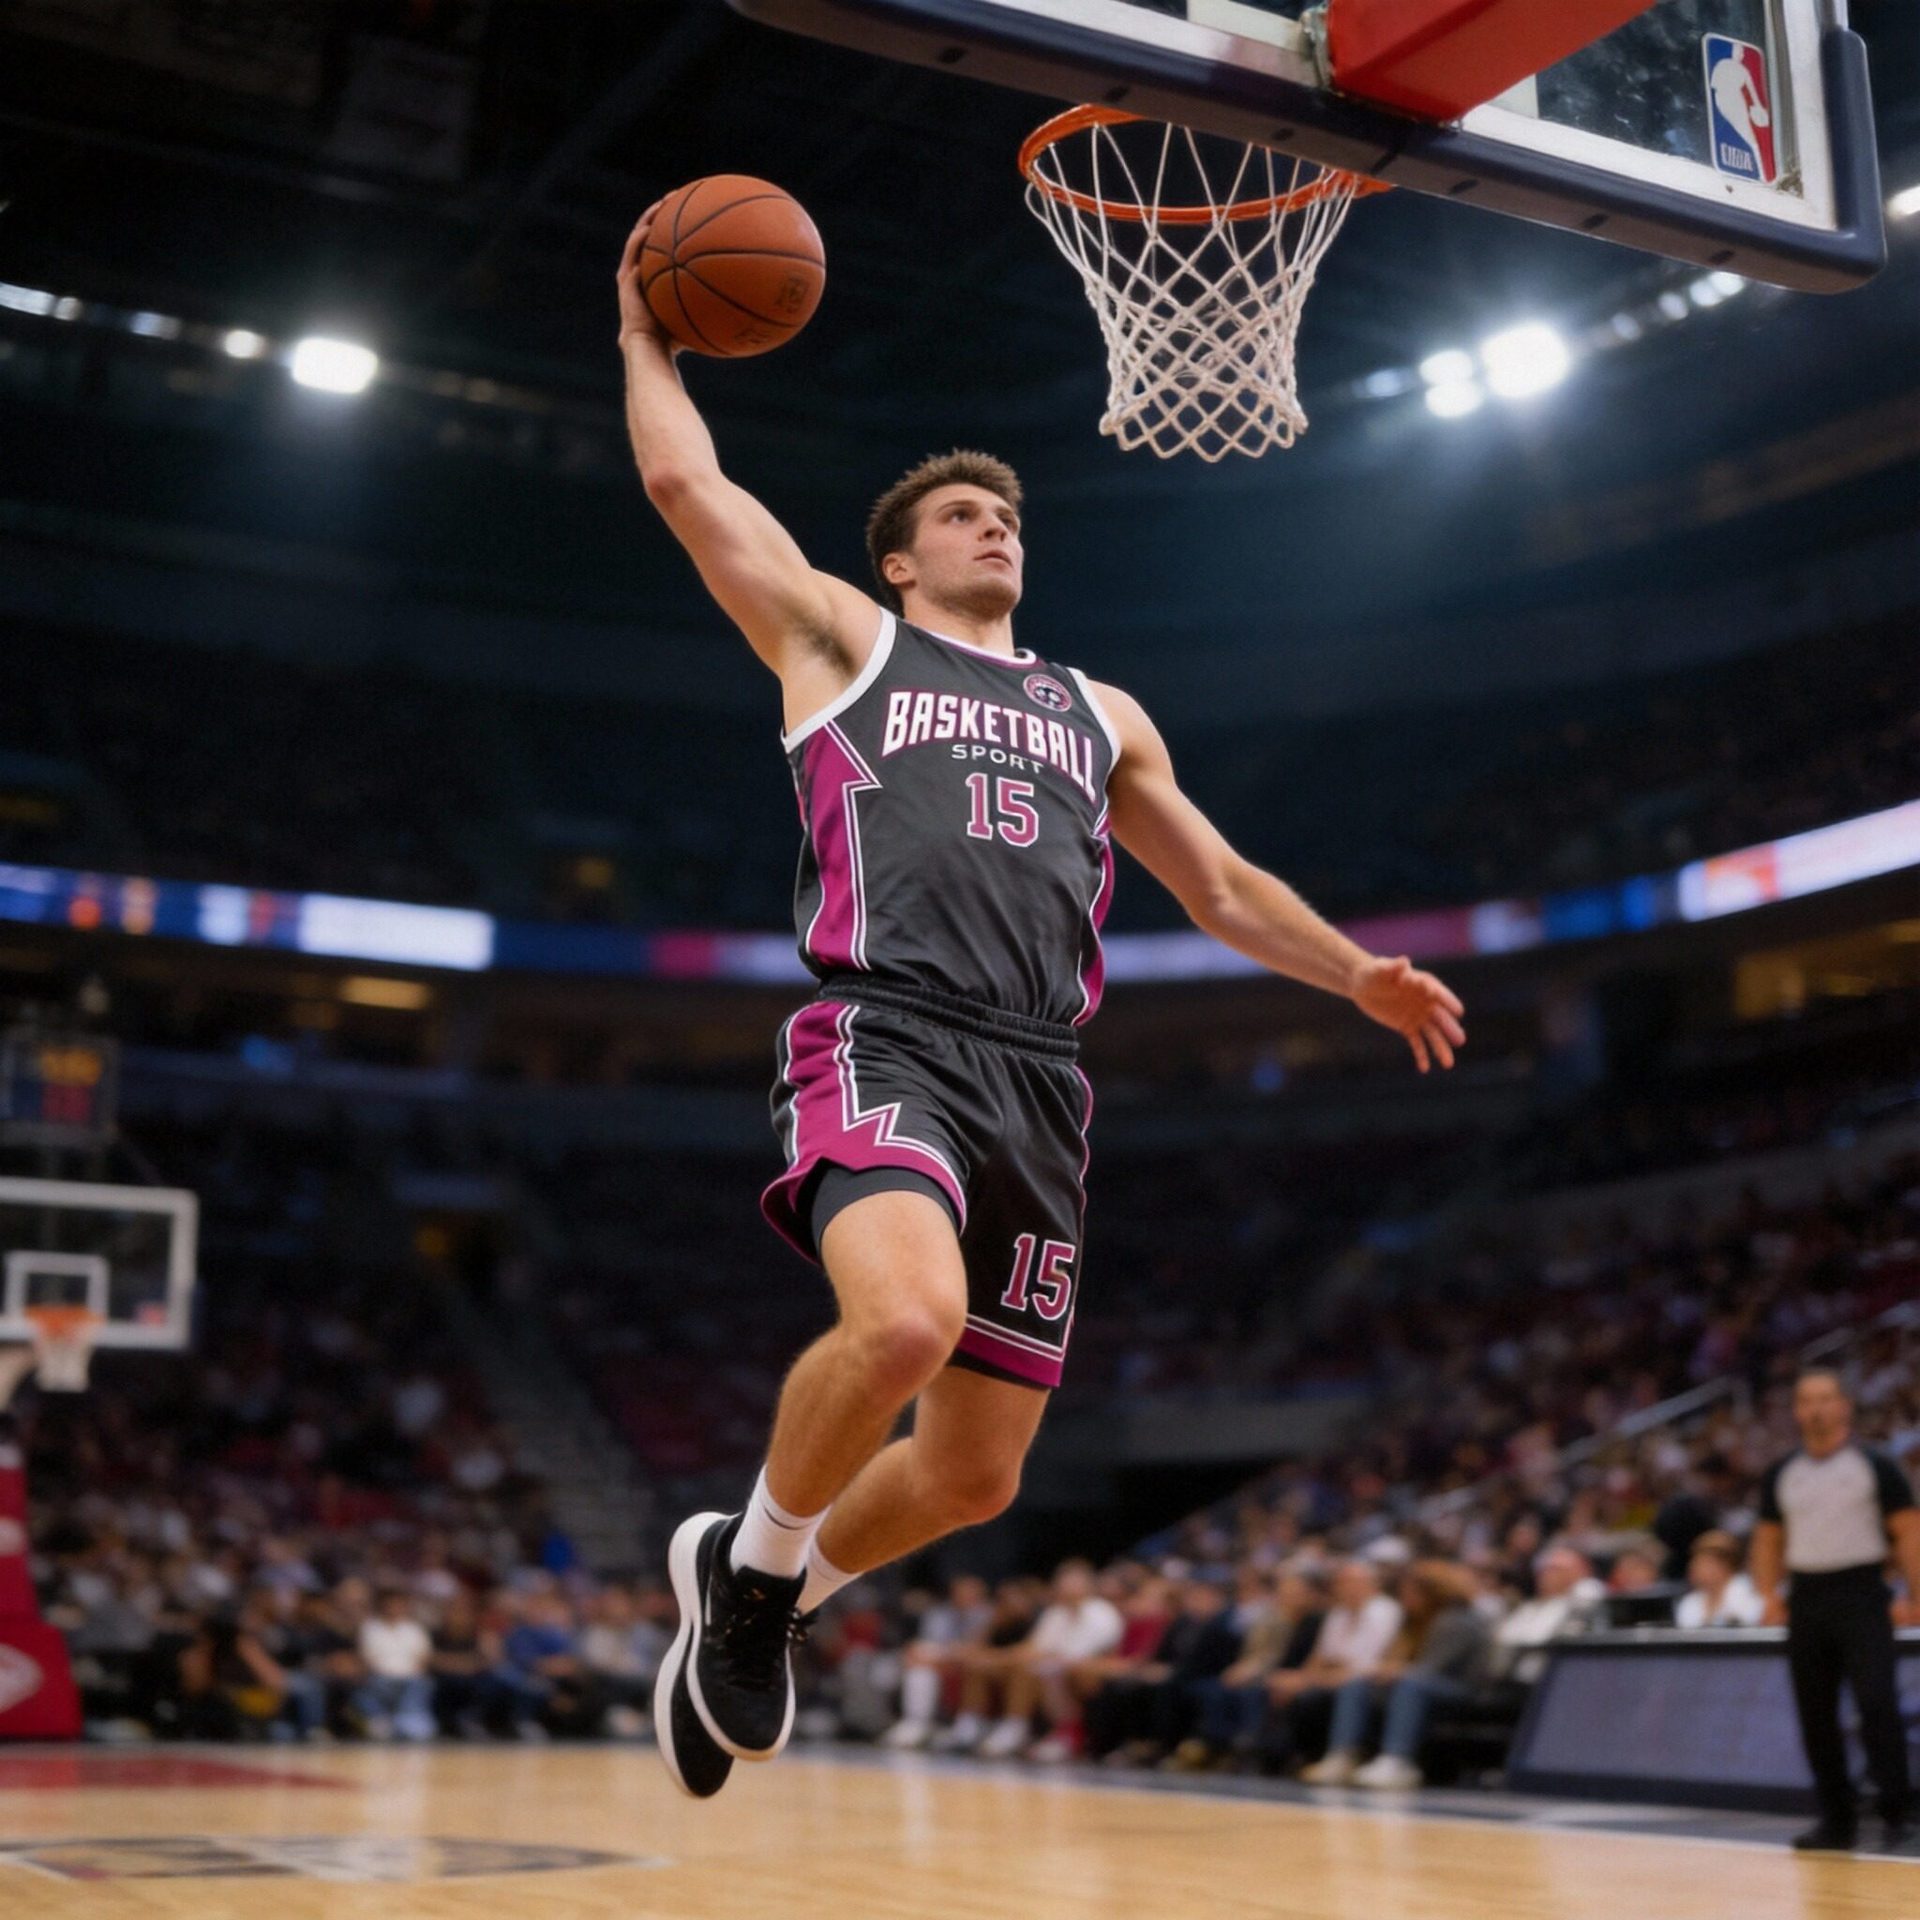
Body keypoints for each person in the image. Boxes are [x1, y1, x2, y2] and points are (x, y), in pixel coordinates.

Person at [616, 204, 1469, 1802]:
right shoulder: (842, 641)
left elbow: (1217, 887)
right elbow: (686, 486)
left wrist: (1351, 968)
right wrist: (641, 328)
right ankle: (752, 1583)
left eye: (1004, 511)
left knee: (974, 1474)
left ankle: (758, 1574)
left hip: (1042, 1080)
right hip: (889, 1032)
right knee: (906, 1323)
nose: (993, 524)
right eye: (957, 511)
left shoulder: (1101, 711)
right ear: (899, 556)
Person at [1749, 1369, 1920, 1854]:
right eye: (1806, 1400)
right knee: (1815, 1713)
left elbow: (1909, 1532)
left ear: (1844, 1405)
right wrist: (1768, 1594)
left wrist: (1915, 1593)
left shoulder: (1876, 1466)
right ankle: (1836, 1818)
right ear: (1797, 1411)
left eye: (1825, 1398)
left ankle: (1897, 1811)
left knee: (1876, 1702)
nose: (1816, 1408)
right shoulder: (1784, 1473)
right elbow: (1767, 1538)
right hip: (1806, 1596)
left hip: (1863, 1592)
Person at [1302, 1561, 1491, 1789]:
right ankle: (1343, 1756)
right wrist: (1384, 1671)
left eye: (1410, 1593)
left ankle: (1397, 1760)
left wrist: (1394, 1671)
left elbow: (1429, 1670)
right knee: (1357, 1684)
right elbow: (1396, 1660)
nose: (1404, 1599)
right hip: (1421, 1685)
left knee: (1410, 1683)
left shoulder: (1456, 1619)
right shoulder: (1414, 1621)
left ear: (1429, 1593)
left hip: (1462, 1691)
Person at [1674, 1531, 1765, 1630]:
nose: (1695, 1568)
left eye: (1705, 1563)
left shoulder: (1748, 1592)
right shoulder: (1689, 1602)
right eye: (1695, 1562)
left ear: (1726, 1565)